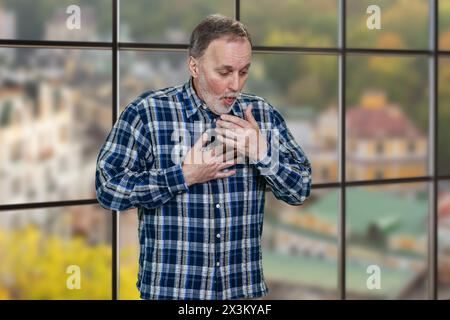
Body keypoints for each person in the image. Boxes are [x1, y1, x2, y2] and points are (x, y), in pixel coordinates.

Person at [95, 14, 312, 300]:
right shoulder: (147, 113)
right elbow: (107, 187)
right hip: (172, 293)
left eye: (244, 71)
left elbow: (301, 189)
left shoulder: (262, 115)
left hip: (241, 296)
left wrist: (263, 153)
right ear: (194, 66)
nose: (235, 84)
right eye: (224, 72)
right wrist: (183, 176)